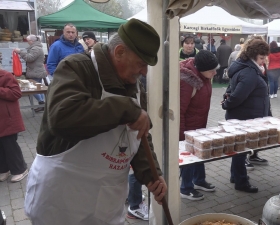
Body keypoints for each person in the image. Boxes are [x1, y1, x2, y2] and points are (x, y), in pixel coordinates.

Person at [24, 19, 167, 225]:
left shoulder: (134, 86)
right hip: (62, 202)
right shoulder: (76, 68)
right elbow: (62, 117)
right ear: (119, 52)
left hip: (105, 205)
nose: (144, 72)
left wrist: (152, 174)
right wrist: (126, 109)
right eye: (141, 63)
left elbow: (139, 134)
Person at [221, 37, 272, 193]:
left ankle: (235, 176)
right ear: (253, 55)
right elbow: (237, 96)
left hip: (244, 115)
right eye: (262, 58)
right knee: (241, 150)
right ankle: (241, 182)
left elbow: (231, 90)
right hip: (244, 117)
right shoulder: (250, 72)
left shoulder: (246, 67)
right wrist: (226, 104)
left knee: (239, 149)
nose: (264, 61)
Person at [180, 50, 218, 200]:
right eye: (212, 70)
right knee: (189, 156)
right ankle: (186, 187)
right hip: (188, 129)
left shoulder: (204, 75)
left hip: (199, 125)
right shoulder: (187, 81)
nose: (215, 73)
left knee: (200, 153)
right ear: (201, 69)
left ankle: (199, 180)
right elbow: (180, 110)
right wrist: (181, 136)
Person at [0, 69, 29, 183]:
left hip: (7, 119)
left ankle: (20, 169)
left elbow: (16, 93)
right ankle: (4, 169)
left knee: (9, 145)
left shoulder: (5, 75)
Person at [14, 35, 48, 112]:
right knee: (38, 88)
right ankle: (42, 105)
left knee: (32, 88)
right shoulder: (37, 47)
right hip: (37, 71)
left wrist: (20, 52)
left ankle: (41, 102)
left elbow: (29, 58)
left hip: (35, 72)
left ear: (31, 41)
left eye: (28, 41)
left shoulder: (35, 48)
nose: (27, 42)